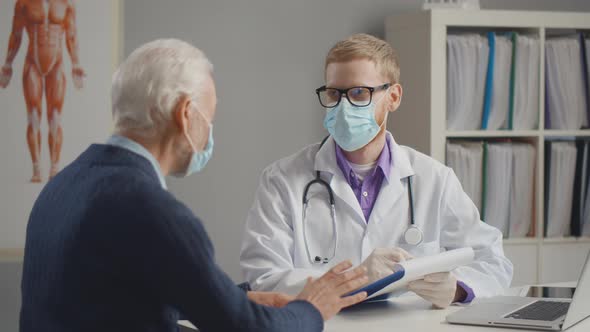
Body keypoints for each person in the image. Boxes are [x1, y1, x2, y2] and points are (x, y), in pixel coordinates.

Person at [19, 39, 368, 332]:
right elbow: (246, 329)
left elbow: (111, 301)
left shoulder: (63, 185)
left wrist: (237, 301)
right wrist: (312, 307)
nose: (210, 132)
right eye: (210, 118)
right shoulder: (152, 210)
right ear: (185, 114)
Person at [240, 33, 513, 309]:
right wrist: (355, 278)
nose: (343, 107)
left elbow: (493, 261)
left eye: (359, 93)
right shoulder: (282, 180)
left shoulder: (434, 179)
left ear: (393, 97)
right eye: (335, 93)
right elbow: (264, 278)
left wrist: (457, 289)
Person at [0, 0, 85, 182]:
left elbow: (71, 35)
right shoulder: (24, 3)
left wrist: (76, 63)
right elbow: (16, 35)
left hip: (57, 63)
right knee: (34, 117)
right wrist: (8, 64)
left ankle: (54, 167)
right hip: (33, 63)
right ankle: (37, 168)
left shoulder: (66, 3)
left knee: (54, 118)